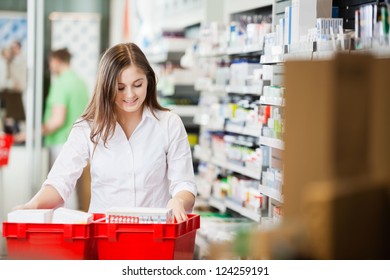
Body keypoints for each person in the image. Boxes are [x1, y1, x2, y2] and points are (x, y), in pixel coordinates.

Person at [16, 42, 196, 222]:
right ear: (106, 86)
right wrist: (32, 205)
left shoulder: (169, 124)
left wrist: (178, 200)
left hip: (154, 235)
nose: (130, 94)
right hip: (105, 235)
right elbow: (59, 182)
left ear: (148, 80)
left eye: (138, 84)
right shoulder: (87, 128)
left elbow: (184, 183)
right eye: (120, 88)